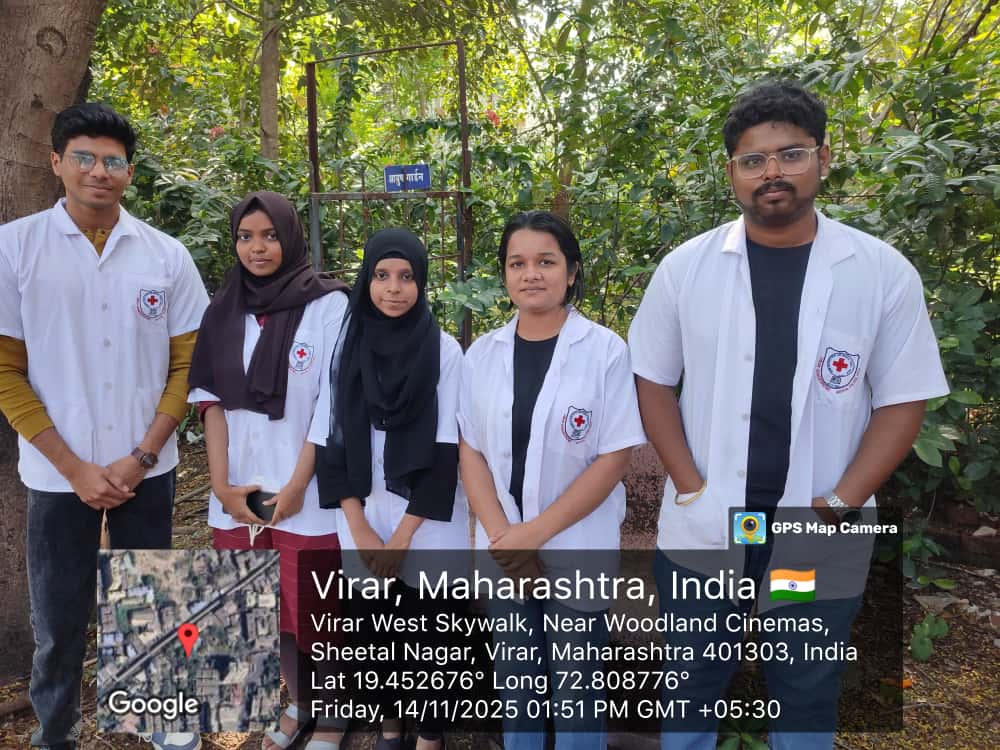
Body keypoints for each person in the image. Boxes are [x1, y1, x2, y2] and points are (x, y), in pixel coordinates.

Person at [628, 81, 950, 750]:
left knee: (804, 687)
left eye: (791, 154)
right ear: (732, 173)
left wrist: (841, 501)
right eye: (753, 160)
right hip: (711, 522)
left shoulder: (879, 273)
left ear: (823, 159)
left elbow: (902, 400)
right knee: (690, 680)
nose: (771, 172)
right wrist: (689, 485)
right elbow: (652, 381)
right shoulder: (686, 269)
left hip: (815, 524)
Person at [0, 103, 209, 750]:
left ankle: (164, 718)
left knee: (153, 595)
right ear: (56, 162)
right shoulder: (15, 248)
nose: (99, 171)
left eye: (113, 161)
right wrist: (74, 468)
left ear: (129, 172)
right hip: (57, 472)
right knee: (58, 616)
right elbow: (7, 371)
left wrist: (141, 456)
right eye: (84, 158)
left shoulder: (166, 256)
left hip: (147, 466)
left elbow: (188, 366)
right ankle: (55, 731)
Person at [457, 210, 647, 750]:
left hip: (575, 546)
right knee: (517, 688)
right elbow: (471, 450)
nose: (531, 274)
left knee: (576, 690)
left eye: (546, 261)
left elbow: (613, 457)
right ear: (504, 273)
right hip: (502, 551)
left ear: (571, 271)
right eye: (517, 263)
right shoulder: (482, 355)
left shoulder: (605, 351)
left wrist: (531, 537)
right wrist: (504, 539)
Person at [187, 191, 350, 750]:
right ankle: (298, 702)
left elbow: (333, 403)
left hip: (306, 494)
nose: (257, 248)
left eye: (270, 235)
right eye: (245, 236)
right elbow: (210, 403)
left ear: (291, 236)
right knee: (265, 611)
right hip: (238, 493)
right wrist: (222, 487)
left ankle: (335, 714)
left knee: (318, 614)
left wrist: (299, 484)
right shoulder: (222, 309)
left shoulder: (328, 305)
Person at [310, 227, 466, 750]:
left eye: (406, 276)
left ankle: (430, 735)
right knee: (375, 631)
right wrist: (359, 528)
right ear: (366, 280)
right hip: (362, 512)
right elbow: (330, 440)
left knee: (431, 634)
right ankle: (391, 722)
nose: (393, 288)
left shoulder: (444, 350)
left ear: (421, 282)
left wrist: (400, 539)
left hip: (424, 520)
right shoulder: (346, 346)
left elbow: (446, 450)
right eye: (381, 275)